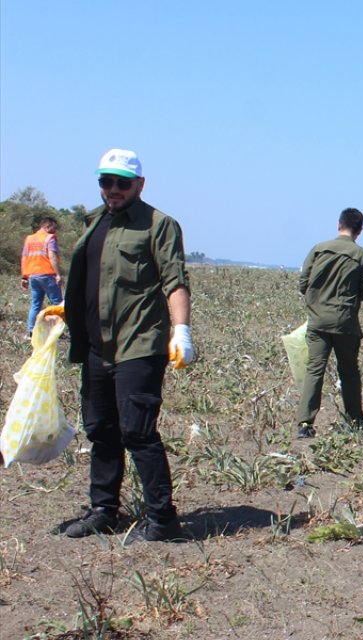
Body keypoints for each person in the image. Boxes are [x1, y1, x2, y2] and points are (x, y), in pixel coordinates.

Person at [62, 148, 195, 543]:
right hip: (97, 346)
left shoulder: (158, 224)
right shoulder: (94, 221)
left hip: (138, 343)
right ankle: (103, 510)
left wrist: (181, 330)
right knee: (101, 430)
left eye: (122, 182)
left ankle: (163, 521)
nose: (113, 189)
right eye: (106, 181)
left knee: (138, 432)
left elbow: (175, 279)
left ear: (140, 184)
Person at [296, 208, 363, 438]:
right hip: (345, 323)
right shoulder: (361, 256)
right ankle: (355, 420)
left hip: (318, 320)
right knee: (349, 372)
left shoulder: (318, 249)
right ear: (360, 230)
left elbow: (303, 284)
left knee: (315, 370)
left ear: (338, 224)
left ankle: (304, 423)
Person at [21, 216, 64, 337]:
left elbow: (24, 258)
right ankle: (56, 331)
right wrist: (58, 274)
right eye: (54, 228)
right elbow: (52, 256)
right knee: (57, 304)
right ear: (47, 226)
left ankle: (31, 332)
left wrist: (24, 276)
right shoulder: (50, 238)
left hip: (33, 276)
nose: (55, 231)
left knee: (35, 304)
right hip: (48, 275)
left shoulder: (29, 239)